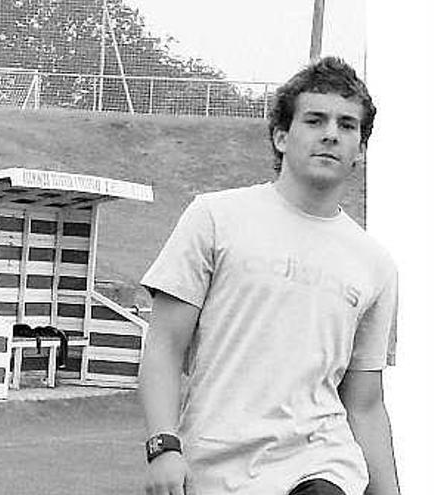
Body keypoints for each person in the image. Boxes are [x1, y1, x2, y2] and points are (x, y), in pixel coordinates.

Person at [138, 57, 399, 495]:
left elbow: (365, 402)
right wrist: (164, 447)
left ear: (362, 149)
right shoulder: (215, 217)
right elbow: (164, 345)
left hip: (322, 463)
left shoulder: (375, 264)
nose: (332, 133)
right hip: (217, 467)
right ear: (281, 136)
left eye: (347, 125)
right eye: (315, 120)